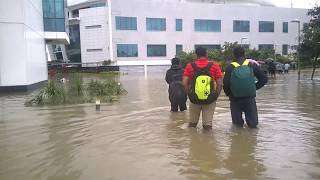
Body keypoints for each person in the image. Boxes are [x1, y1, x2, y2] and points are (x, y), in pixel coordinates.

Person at [223, 46, 268, 128]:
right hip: (249, 98)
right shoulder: (252, 65)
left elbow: (225, 84)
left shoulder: (230, 67)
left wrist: (230, 94)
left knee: (237, 126)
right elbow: (264, 79)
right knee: (253, 125)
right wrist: (254, 87)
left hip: (235, 99)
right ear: (244, 54)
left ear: (234, 55)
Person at [182, 47, 223, 130]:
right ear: (206, 54)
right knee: (207, 126)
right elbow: (220, 83)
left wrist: (189, 94)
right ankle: (207, 141)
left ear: (196, 55)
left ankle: (193, 141)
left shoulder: (190, 66)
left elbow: (184, 83)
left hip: (194, 99)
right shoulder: (214, 66)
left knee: (192, 125)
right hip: (210, 99)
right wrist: (215, 96)